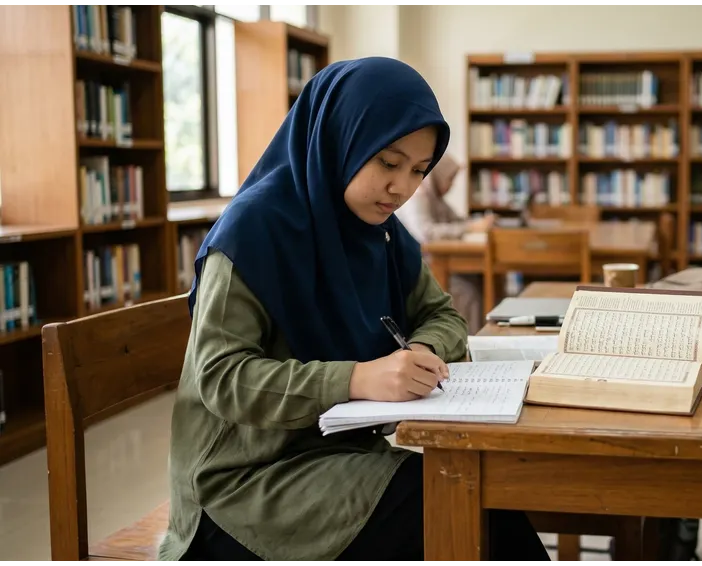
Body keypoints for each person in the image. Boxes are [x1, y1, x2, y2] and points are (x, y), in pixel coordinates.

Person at [156, 57, 550, 566]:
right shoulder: (252, 232)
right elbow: (222, 378)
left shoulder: (378, 233)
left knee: (475, 501)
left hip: (338, 455)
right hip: (241, 486)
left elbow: (444, 316)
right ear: (338, 138)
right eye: (388, 162)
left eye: (418, 171)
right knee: (454, 506)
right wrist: (359, 379)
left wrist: (422, 352)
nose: (402, 188)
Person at [396, 154, 493, 333]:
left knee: (479, 280)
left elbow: (457, 220)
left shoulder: (436, 198)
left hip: (434, 260)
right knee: (467, 291)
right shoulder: (419, 195)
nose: (451, 185)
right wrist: (471, 228)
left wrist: (476, 223)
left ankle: (483, 335)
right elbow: (426, 233)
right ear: (438, 175)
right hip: (422, 265)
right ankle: (467, 341)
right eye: (450, 179)